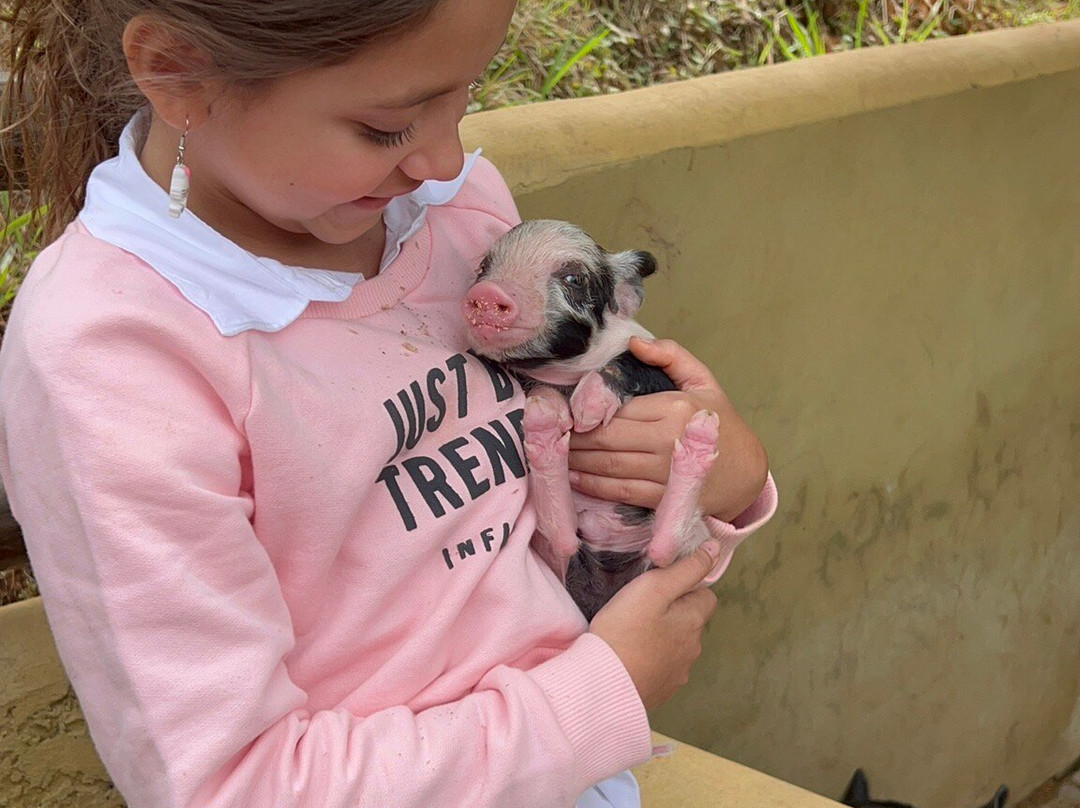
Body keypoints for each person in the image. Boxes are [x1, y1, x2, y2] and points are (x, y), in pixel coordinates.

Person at [0, 1, 777, 806]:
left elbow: (548, 508)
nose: (444, 161)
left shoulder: (455, 218)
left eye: (467, 96)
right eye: (385, 128)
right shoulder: (117, 354)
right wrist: (594, 697)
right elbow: (231, 788)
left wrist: (723, 480)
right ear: (174, 69)